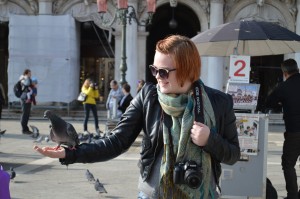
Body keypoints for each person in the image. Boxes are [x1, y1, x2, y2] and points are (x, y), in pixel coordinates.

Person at [34, 35, 240, 198]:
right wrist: (70, 154)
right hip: (152, 194)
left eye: (164, 72)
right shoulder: (148, 97)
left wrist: (209, 140)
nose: (157, 77)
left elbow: (232, 154)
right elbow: (116, 141)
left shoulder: (219, 103)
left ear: (187, 71)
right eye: (154, 70)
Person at [265, 58, 300, 199]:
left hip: (294, 132)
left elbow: (269, 102)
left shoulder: (284, 87)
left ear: (285, 73)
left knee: (288, 163)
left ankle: (292, 196)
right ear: (297, 69)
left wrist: (281, 102)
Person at [19, 69, 34, 135]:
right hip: (25, 98)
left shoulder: (26, 79)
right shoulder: (24, 79)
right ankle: (24, 129)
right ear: (26, 73)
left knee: (27, 114)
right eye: (29, 73)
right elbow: (27, 84)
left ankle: (25, 129)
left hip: (28, 98)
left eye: (30, 73)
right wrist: (28, 78)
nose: (30, 75)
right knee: (25, 113)